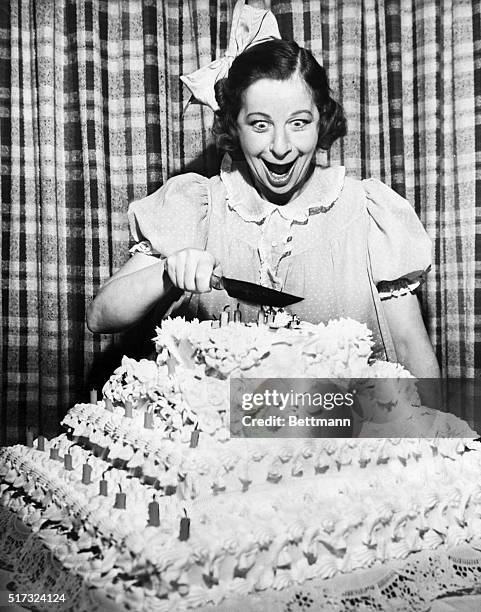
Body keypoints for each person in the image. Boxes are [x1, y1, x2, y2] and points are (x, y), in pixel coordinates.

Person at [87, 9, 440, 381]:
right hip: (214, 433)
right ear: (232, 126)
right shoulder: (195, 207)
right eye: (260, 125)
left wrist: (437, 432)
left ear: (322, 122)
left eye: (299, 123)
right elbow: (100, 316)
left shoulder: (369, 214)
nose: (281, 147)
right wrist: (167, 272)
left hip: (344, 429)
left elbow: (409, 348)